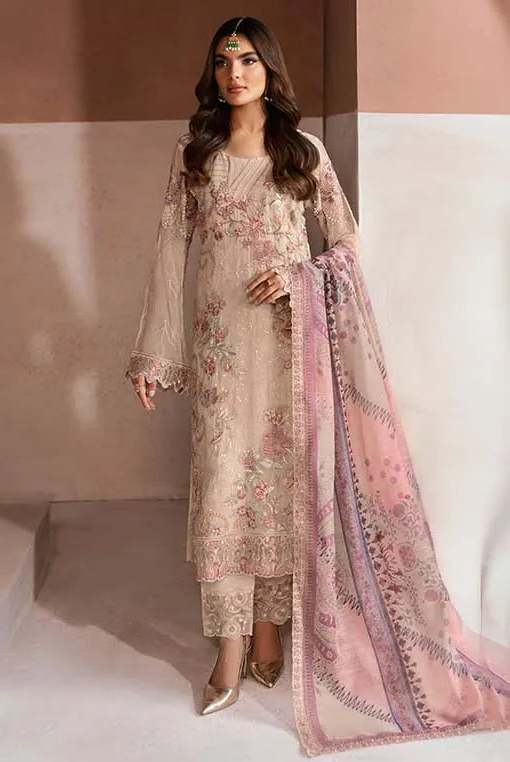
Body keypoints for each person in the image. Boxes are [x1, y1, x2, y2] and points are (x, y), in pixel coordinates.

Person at [127, 16, 510, 757]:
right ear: (212, 72)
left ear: (270, 69)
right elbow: (171, 250)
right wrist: (153, 354)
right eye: (223, 61)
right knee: (225, 484)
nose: (235, 73)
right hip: (222, 353)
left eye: (248, 59)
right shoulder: (194, 153)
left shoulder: (302, 153)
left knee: (278, 484)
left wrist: (297, 276)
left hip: (287, 346)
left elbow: (347, 244)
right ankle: (230, 650)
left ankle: (270, 632)